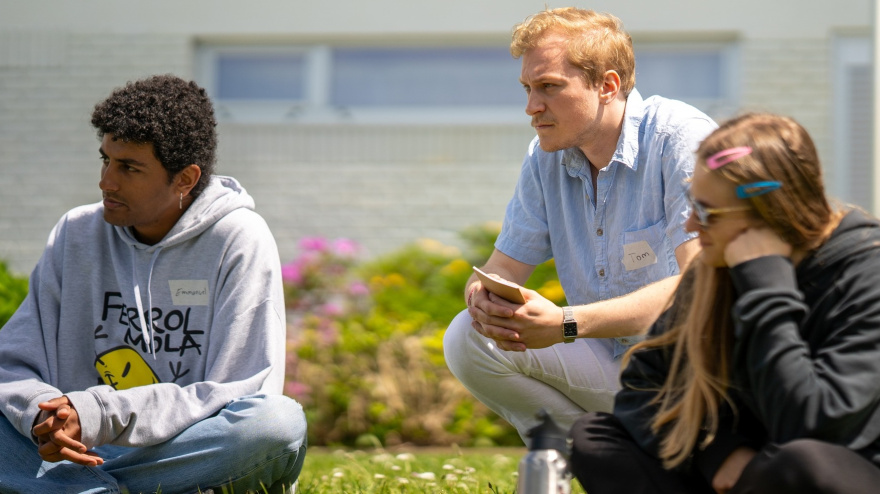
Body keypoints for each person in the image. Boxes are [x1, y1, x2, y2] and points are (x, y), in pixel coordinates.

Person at [0, 74, 307, 493]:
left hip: (180, 451)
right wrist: (43, 414)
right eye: (105, 159)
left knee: (275, 425)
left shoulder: (238, 237)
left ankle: (74, 488)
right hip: (71, 450)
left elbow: (239, 391)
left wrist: (99, 412)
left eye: (129, 167)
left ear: (184, 179)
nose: (107, 181)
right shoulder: (77, 231)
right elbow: (12, 362)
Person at [569, 113, 880, 494]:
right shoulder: (714, 270)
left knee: (803, 462)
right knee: (596, 437)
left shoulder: (866, 272)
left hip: (837, 469)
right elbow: (644, 388)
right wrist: (718, 453)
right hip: (748, 473)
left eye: (707, 213)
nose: (691, 227)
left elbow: (812, 423)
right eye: (691, 204)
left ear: (772, 213)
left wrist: (766, 285)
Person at [443, 7, 715, 439]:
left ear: (607, 86)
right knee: (467, 337)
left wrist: (566, 323)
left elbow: (702, 284)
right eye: (528, 88)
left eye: (549, 87)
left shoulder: (680, 138)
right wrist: (483, 298)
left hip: (693, 375)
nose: (532, 107)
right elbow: (503, 268)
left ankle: (639, 463)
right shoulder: (544, 156)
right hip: (613, 366)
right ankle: (600, 465)